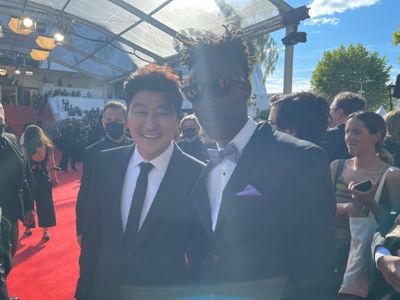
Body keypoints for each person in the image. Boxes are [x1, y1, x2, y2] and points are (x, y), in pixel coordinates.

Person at [180, 26, 336, 299]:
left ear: (247, 89)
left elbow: (316, 274)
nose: (205, 100)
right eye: (194, 90)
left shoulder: (301, 159)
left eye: (220, 85)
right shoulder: (204, 168)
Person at [76, 64, 206, 300]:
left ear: (177, 118)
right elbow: (93, 238)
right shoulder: (105, 162)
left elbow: (199, 258)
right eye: (141, 111)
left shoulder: (198, 176)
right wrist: (83, 291)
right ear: (128, 118)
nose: (150, 123)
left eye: (162, 112)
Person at [330, 111, 400, 299]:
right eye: (346, 131)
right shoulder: (336, 167)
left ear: (376, 136)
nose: (348, 138)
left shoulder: (391, 175)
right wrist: (347, 208)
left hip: (362, 257)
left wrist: (370, 203)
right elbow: (318, 209)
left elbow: (393, 225)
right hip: (328, 252)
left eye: (356, 132)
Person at [76, 101, 133, 245]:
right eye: (109, 120)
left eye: (118, 120)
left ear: (126, 123)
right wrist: (81, 228)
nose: (113, 124)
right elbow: (85, 190)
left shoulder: (138, 148)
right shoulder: (93, 152)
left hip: (132, 219)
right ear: (103, 123)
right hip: (102, 222)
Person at [0, 103, 34, 256]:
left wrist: (28, 207)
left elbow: (23, 175)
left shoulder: (12, 139)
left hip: (11, 213)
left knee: (9, 255)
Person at [22, 125, 59, 241]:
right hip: (44, 178)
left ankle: (28, 227)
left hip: (30, 179)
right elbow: (52, 165)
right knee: (45, 205)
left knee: (29, 204)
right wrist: (55, 178)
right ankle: (45, 232)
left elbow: (23, 165)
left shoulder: (25, 147)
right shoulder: (47, 146)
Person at [323, 92, 367, 162]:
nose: (329, 113)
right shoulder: (370, 137)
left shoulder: (325, 137)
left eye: (331, 109)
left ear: (339, 113)